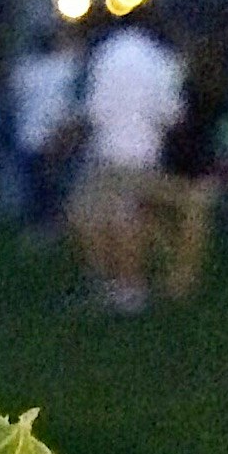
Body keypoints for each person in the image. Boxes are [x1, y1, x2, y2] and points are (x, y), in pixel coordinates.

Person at [68, 16, 185, 315]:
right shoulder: (161, 58)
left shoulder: (104, 54)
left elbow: (93, 107)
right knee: (130, 217)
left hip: (107, 148)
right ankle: (129, 286)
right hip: (145, 148)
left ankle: (114, 283)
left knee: (94, 216)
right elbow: (171, 112)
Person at [153, 37, 228, 303]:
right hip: (201, 158)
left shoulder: (186, 86)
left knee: (171, 213)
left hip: (179, 157)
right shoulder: (220, 89)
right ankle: (185, 274)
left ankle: (176, 271)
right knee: (194, 214)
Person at [9, 27, 82, 241]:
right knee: (47, 188)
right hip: (49, 136)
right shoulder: (68, 67)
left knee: (42, 189)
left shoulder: (27, 67)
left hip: (38, 136)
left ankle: (45, 229)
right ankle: (47, 229)